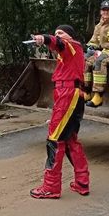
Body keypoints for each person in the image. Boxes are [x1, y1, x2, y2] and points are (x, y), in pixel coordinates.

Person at [29, 25, 90, 199]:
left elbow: (58, 42)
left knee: (54, 140)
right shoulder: (69, 53)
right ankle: (82, 182)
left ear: (69, 36)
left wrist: (45, 38)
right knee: (69, 139)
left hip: (67, 95)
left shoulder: (71, 45)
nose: (58, 35)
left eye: (61, 32)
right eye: (56, 33)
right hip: (70, 94)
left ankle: (51, 187)